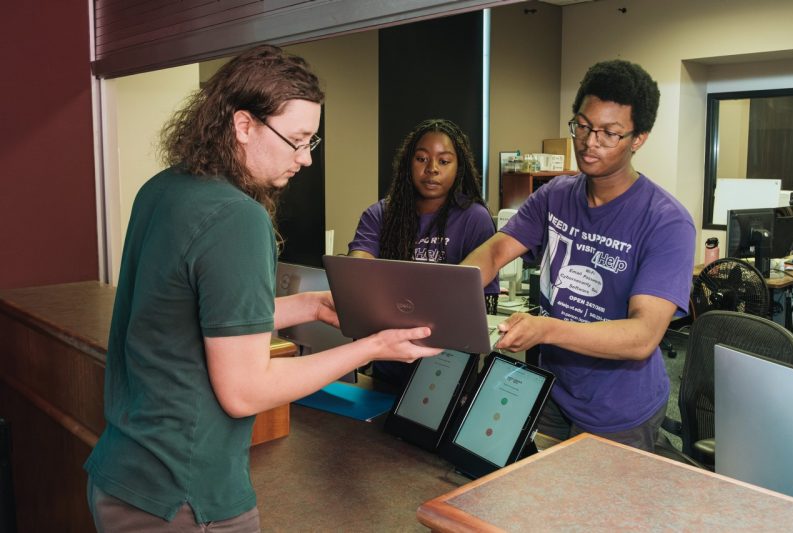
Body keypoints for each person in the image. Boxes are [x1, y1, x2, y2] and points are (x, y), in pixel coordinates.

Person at [83, 45, 441, 532]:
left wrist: (311, 305)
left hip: (124, 474)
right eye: (296, 140)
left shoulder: (164, 189)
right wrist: (374, 347)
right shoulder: (237, 217)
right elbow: (245, 390)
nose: (306, 159)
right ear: (243, 124)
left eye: (312, 142)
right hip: (185, 495)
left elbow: (197, 317)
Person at [462, 60, 696, 452]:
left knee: (595, 511)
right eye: (583, 126)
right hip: (553, 390)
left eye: (609, 133)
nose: (590, 142)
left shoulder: (666, 222)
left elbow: (641, 336)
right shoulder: (556, 195)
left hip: (619, 409)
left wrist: (545, 329)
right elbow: (496, 249)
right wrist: (451, 294)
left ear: (638, 139)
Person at [348, 118, 499, 387]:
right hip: (388, 357)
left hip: (446, 366)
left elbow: (478, 301)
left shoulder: (474, 218)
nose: (431, 169)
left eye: (444, 161)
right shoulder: (380, 214)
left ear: (458, 167)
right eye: (421, 159)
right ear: (409, 163)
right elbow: (358, 273)